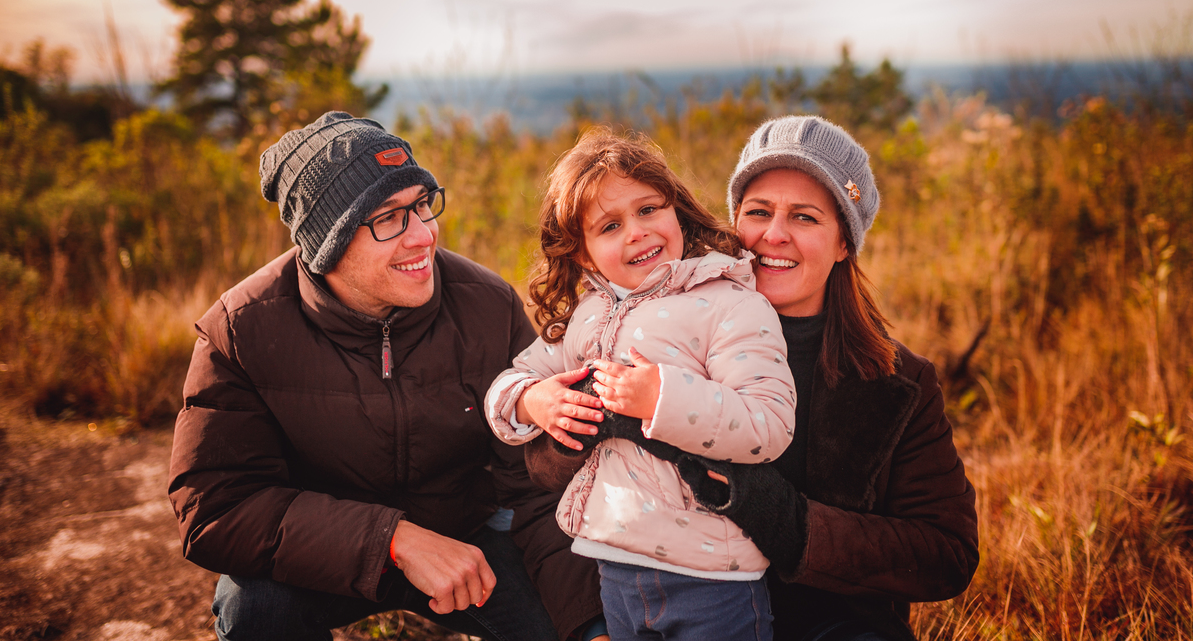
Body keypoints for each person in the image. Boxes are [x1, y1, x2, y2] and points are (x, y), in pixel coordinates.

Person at [525, 116, 979, 641]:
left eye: (805, 217)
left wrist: (787, 521)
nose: (774, 235)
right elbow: (552, 482)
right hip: (664, 610)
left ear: (843, 243)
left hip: (833, 626)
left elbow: (945, 552)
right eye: (758, 212)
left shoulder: (899, 385)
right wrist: (593, 626)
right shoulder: (651, 329)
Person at [167, 111, 603, 641]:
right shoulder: (241, 331)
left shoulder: (487, 306)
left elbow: (534, 487)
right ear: (327, 242)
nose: (423, 235)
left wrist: (590, 626)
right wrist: (393, 540)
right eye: (389, 218)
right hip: (323, 554)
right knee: (255, 612)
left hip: (467, 536)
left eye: (422, 204)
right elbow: (217, 506)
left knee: (562, 619)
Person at [484, 129, 797, 641]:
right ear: (583, 254)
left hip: (711, 576)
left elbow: (769, 423)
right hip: (613, 566)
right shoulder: (587, 316)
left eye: (649, 209)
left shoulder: (728, 302)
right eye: (610, 226)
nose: (637, 232)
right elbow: (510, 381)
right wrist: (532, 399)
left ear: (677, 212)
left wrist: (662, 398)